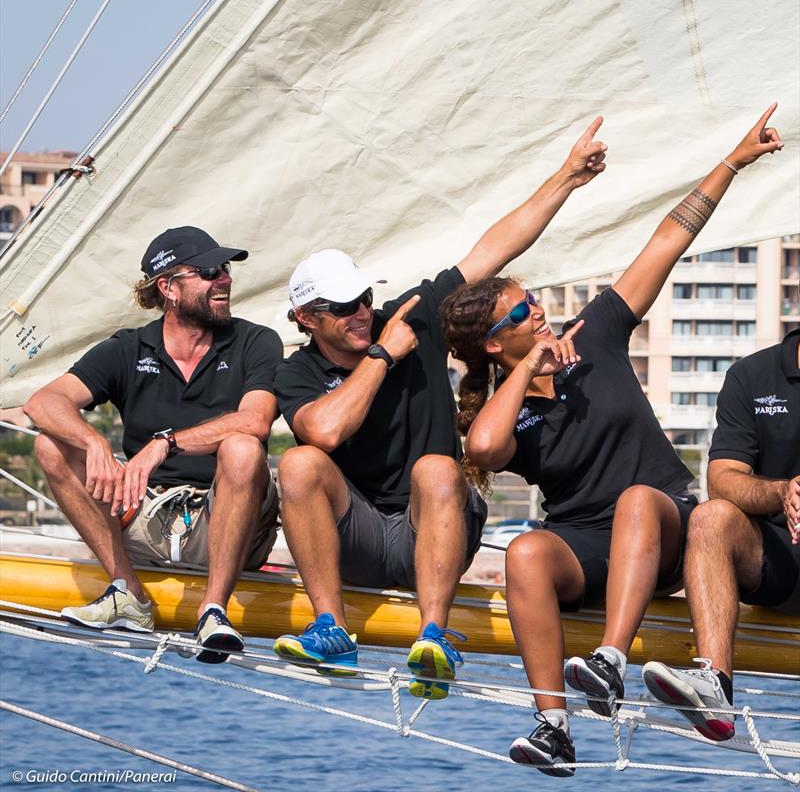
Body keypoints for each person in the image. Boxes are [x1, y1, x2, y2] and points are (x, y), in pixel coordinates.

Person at [439, 105, 782, 775]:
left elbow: (664, 242)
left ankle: (611, 660)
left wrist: (733, 162)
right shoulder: (506, 400)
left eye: (534, 298)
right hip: (591, 545)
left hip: (668, 523)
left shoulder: (594, 335)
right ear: (492, 342)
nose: (537, 310)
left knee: (635, 501)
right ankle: (552, 725)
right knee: (528, 551)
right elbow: (482, 450)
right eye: (520, 311)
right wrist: (529, 371)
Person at [271, 117, 609, 698]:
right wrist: (381, 356)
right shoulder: (299, 371)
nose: (360, 312)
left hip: (437, 525)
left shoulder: (412, 317)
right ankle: (331, 630)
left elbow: (494, 248)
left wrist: (567, 178)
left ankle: (434, 636)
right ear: (306, 319)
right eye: (341, 307)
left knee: (435, 467)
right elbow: (323, 432)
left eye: (364, 299)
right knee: (298, 464)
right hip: (361, 538)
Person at [24, 226, 283, 663]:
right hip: (147, 519)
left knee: (242, 448)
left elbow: (255, 420)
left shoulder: (255, 342)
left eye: (225, 270)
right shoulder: (129, 348)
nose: (225, 279)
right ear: (168, 288)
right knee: (51, 447)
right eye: (209, 271)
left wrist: (165, 443)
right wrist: (93, 444)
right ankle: (128, 593)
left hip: (227, 523)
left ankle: (214, 610)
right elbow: (42, 402)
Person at [642, 315, 799, 741]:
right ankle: (715, 687)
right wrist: (784, 491)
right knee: (710, 516)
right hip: (781, 560)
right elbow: (724, 478)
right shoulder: (752, 375)